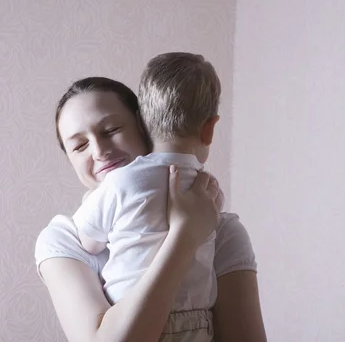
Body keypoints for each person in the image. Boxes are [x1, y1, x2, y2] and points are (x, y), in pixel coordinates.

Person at [35, 73, 267, 341]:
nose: (98, 151)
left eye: (111, 130)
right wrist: (185, 237)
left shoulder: (222, 230)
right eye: (80, 145)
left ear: (145, 127)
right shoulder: (64, 240)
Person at [71, 52, 224, 330]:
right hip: (198, 320)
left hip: (130, 315)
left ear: (142, 123)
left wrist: (91, 201)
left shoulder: (121, 183)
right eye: (80, 145)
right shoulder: (209, 190)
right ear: (209, 129)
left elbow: (90, 242)